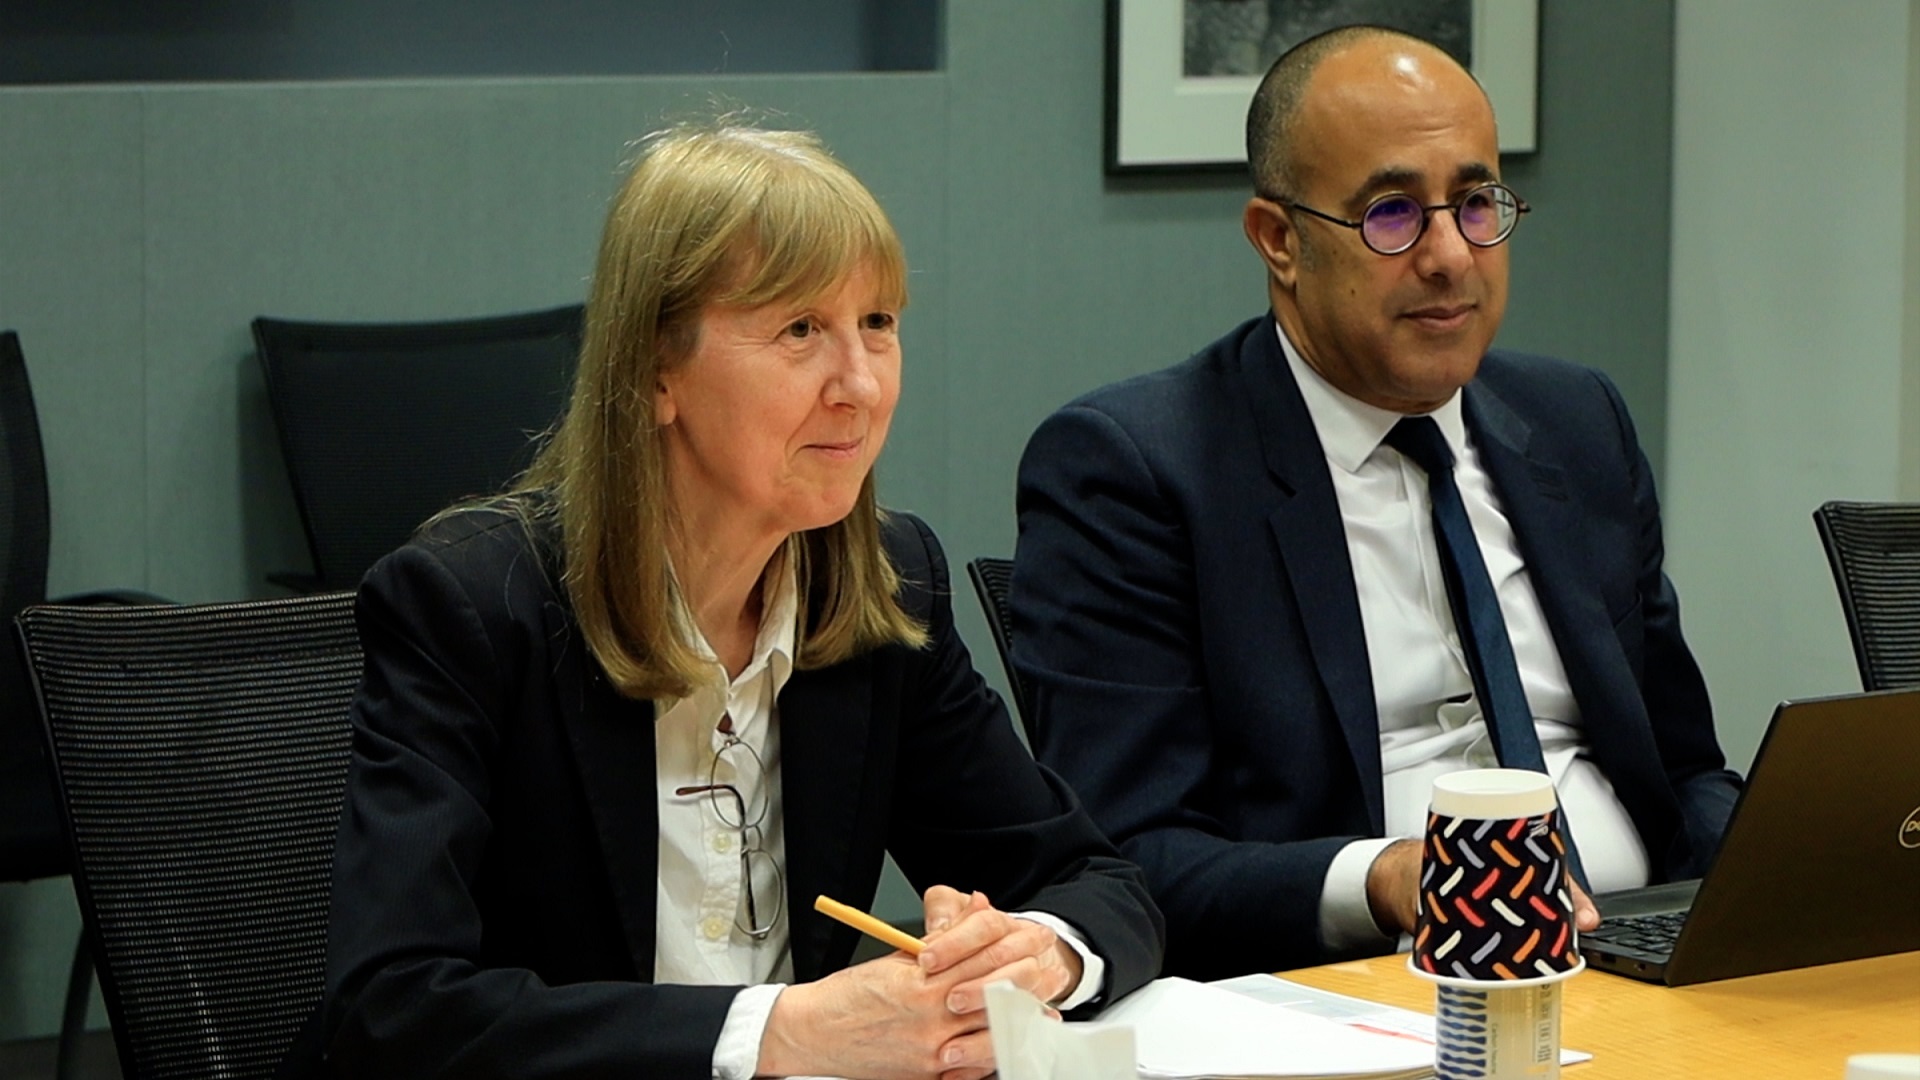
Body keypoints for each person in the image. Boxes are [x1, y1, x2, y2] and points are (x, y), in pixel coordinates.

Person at [282, 121, 1162, 1080]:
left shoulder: (880, 586)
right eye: (800, 330)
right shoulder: (472, 606)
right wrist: (780, 1030)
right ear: (655, 370)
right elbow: (393, 1009)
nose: (861, 386)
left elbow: (1096, 882)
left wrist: (1040, 952)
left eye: (878, 323)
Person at [1010, 26, 1740, 980]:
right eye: (1392, 215)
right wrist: (1385, 879)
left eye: (1476, 204)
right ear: (1280, 240)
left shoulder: (1576, 422)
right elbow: (1125, 858)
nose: (1451, 256)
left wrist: (1786, 867)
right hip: (1365, 984)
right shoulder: (1138, 469)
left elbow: (1682, 769)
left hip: (1641, 956)